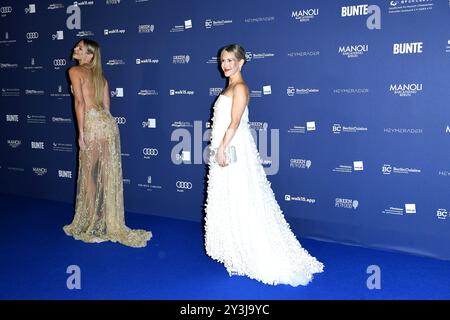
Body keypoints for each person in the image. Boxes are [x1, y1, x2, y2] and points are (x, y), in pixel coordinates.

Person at [204, 44, 324, 286]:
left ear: (241, 62)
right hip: (227, 148)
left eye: (230, 60)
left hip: (233, 150)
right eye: (222, 60)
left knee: (241, 197)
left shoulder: (240, 88)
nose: (225, 65)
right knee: (230, 198)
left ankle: (251, 250)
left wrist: (222, 150)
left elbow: (235, 123)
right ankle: (234, 248)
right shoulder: (230, 87)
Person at [63, 39, 151, 248]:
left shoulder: (74, 72)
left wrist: (81, 133)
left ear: (90, 56)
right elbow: (107, 108)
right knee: (107, 174)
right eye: (77, 47)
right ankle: (109, 219)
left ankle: (94, 220)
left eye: (80, 48)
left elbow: (80, 103)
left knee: (88, 173)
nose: (75, 49)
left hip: (93, 124)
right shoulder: (101, 77)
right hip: (108, 125)